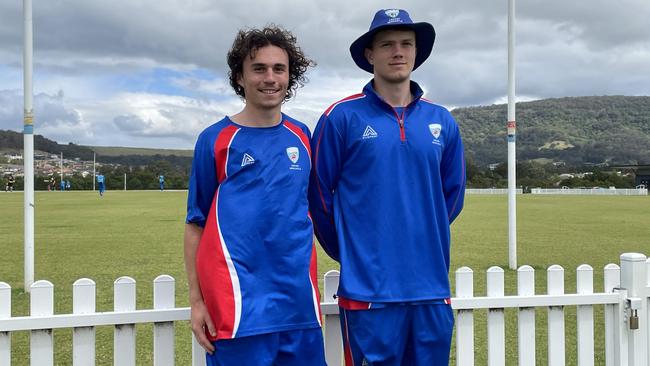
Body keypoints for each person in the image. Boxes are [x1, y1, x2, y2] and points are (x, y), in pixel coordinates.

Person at [309, 9, 466, 365]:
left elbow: (451, 197)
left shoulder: (442, 120)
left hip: (430, 289)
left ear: (416, 52)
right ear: (370, 54)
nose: (398, 52)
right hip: (370, 292)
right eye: (387, 45)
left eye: (406, 44)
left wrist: (421, 236)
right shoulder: (341, 117)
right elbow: (318, 196)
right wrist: (351, 250)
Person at [184, 25, 325, 366]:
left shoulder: (302, 136)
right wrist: (197, 301)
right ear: (240, 77)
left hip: (297, 305)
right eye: (258, 68)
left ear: (291, 76)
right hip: (237, 305)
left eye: (279, 69)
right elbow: (195, 224)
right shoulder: (216, 139)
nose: (270, 78)